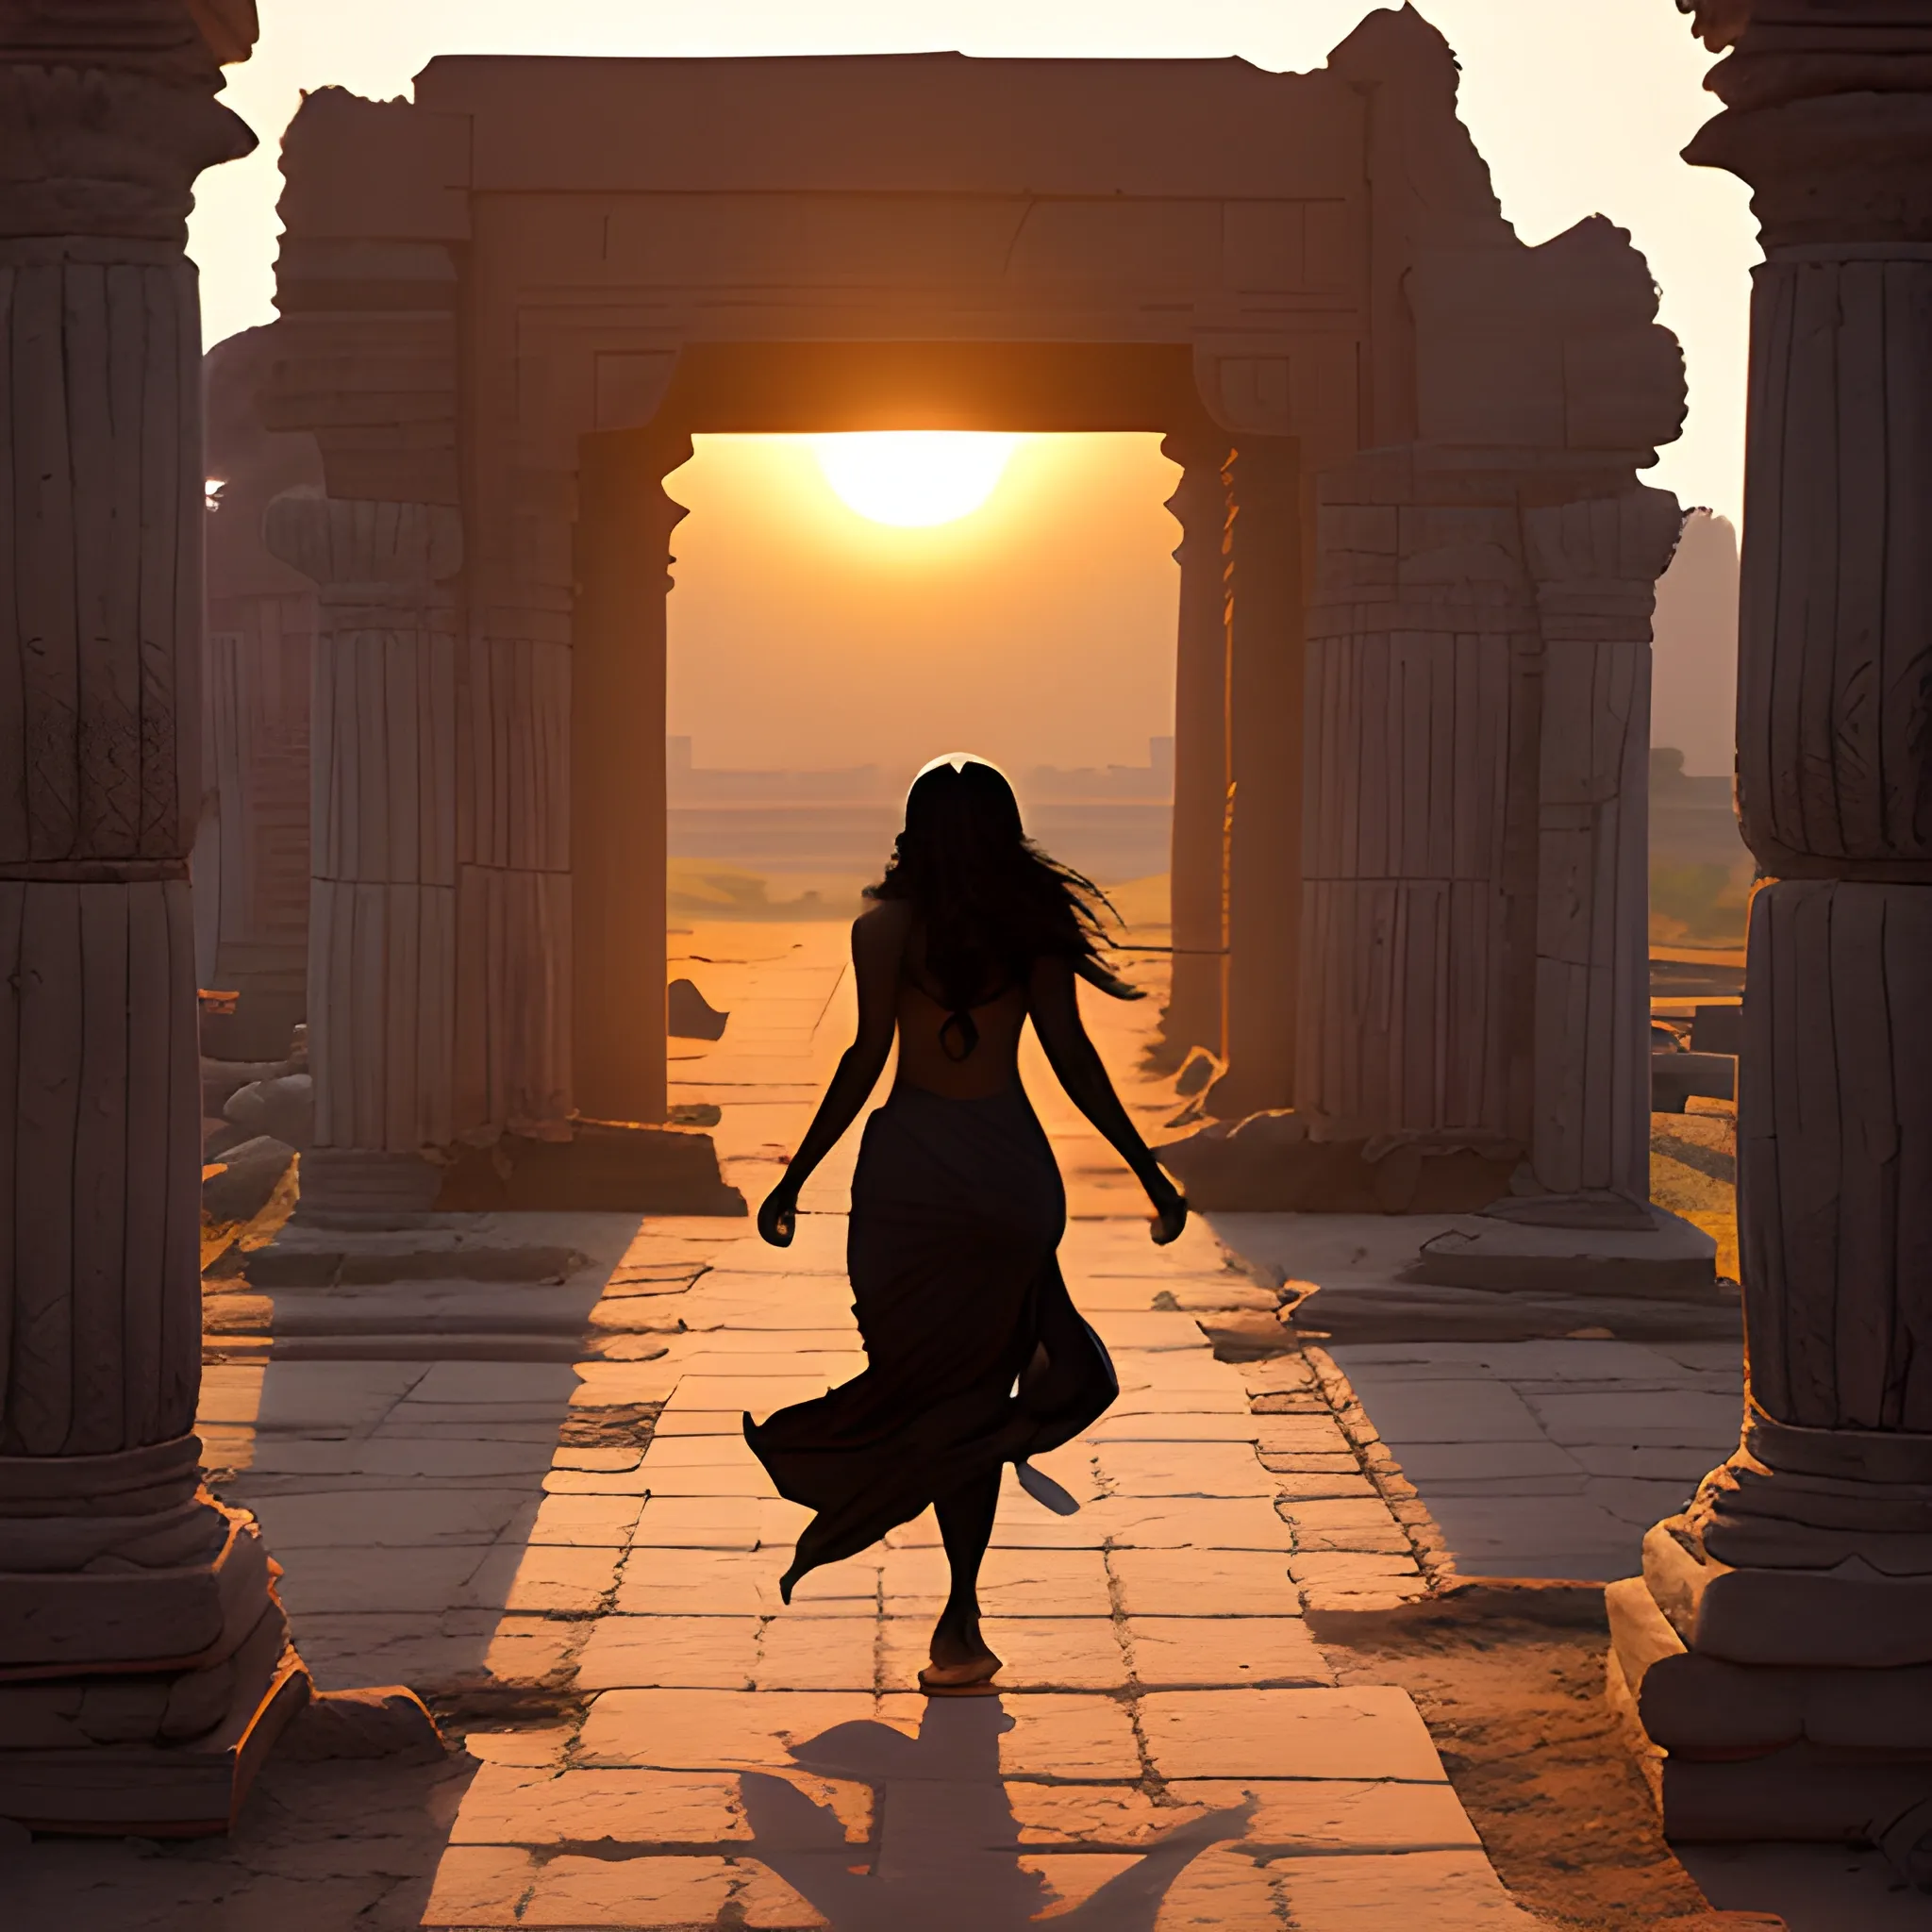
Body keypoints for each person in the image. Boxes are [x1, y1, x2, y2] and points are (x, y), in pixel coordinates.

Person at [745, 754, 1187, 1695]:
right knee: (976, 1394)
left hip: (907, 1179)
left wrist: (794, 1178)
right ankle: (961, 1611)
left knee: (926, 1382)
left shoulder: (882, 928)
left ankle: (920, 1539)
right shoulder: (1028, 932)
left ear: (911, 833)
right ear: (1002, 832)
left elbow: (864, 1059)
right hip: (1006, 1180)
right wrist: (1149, 1170)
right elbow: (1071, 1060)